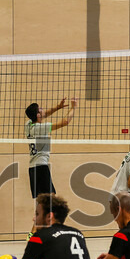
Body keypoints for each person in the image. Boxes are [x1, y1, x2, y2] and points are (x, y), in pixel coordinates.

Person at [25, 98, 76, 238]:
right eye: (40, 109)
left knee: (43, 202)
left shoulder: (28, 124)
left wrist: (58, 107)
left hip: (33, 168)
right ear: (37, 116)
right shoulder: (40, 127)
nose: (43, 110)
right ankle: (45, 230)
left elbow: (45, 114)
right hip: (41, 167)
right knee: (51, 200)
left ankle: (34, 232)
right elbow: (65, 122)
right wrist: (73, 108)